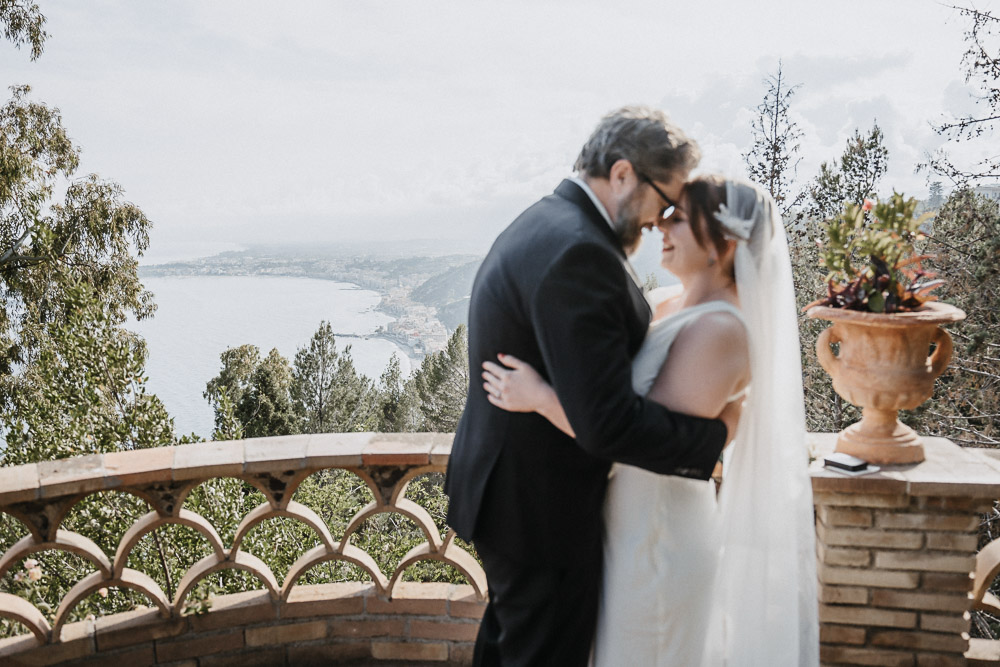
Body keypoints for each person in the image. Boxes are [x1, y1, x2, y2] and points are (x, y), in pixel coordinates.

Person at [444, 107, 739, 666]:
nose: (660, 222)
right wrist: (715, 436)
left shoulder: (547, 220)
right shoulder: (581, 251)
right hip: (540, 507)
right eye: (664, 200)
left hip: (512, 492)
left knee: (510, 644)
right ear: (623, 174)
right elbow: (607, 423)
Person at [482, 176, 819, 665]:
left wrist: (539, 397)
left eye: (677, 218)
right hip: (621, 524)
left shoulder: (723, 330)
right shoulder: (666, 302)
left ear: (723, 244)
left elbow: (636, 436)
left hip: (658, 536)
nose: (660, 226)